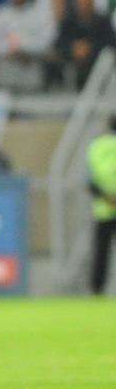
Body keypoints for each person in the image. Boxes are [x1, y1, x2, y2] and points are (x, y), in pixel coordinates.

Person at [87, 120, 116, 295]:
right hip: (105, 207)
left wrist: (108, 197)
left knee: (101, 252)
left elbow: (90, 180)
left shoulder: (97, 146)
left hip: (104, 208)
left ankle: (97, 289)